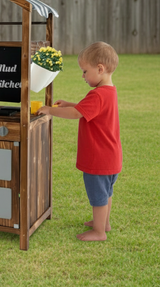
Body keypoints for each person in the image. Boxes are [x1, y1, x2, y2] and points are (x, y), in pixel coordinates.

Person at [37, 41, 122, 242]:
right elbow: (87, 109)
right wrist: (69, 103)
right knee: (106, 192)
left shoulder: (97, 94)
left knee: (98, 196)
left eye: (85, 71)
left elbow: (77, 113)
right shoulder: (109, 92)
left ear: (100, 69)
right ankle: (104, 222)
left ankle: (99, 232)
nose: (82, 76)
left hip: (97, 159)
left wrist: (50, 110)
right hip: (111, 157)